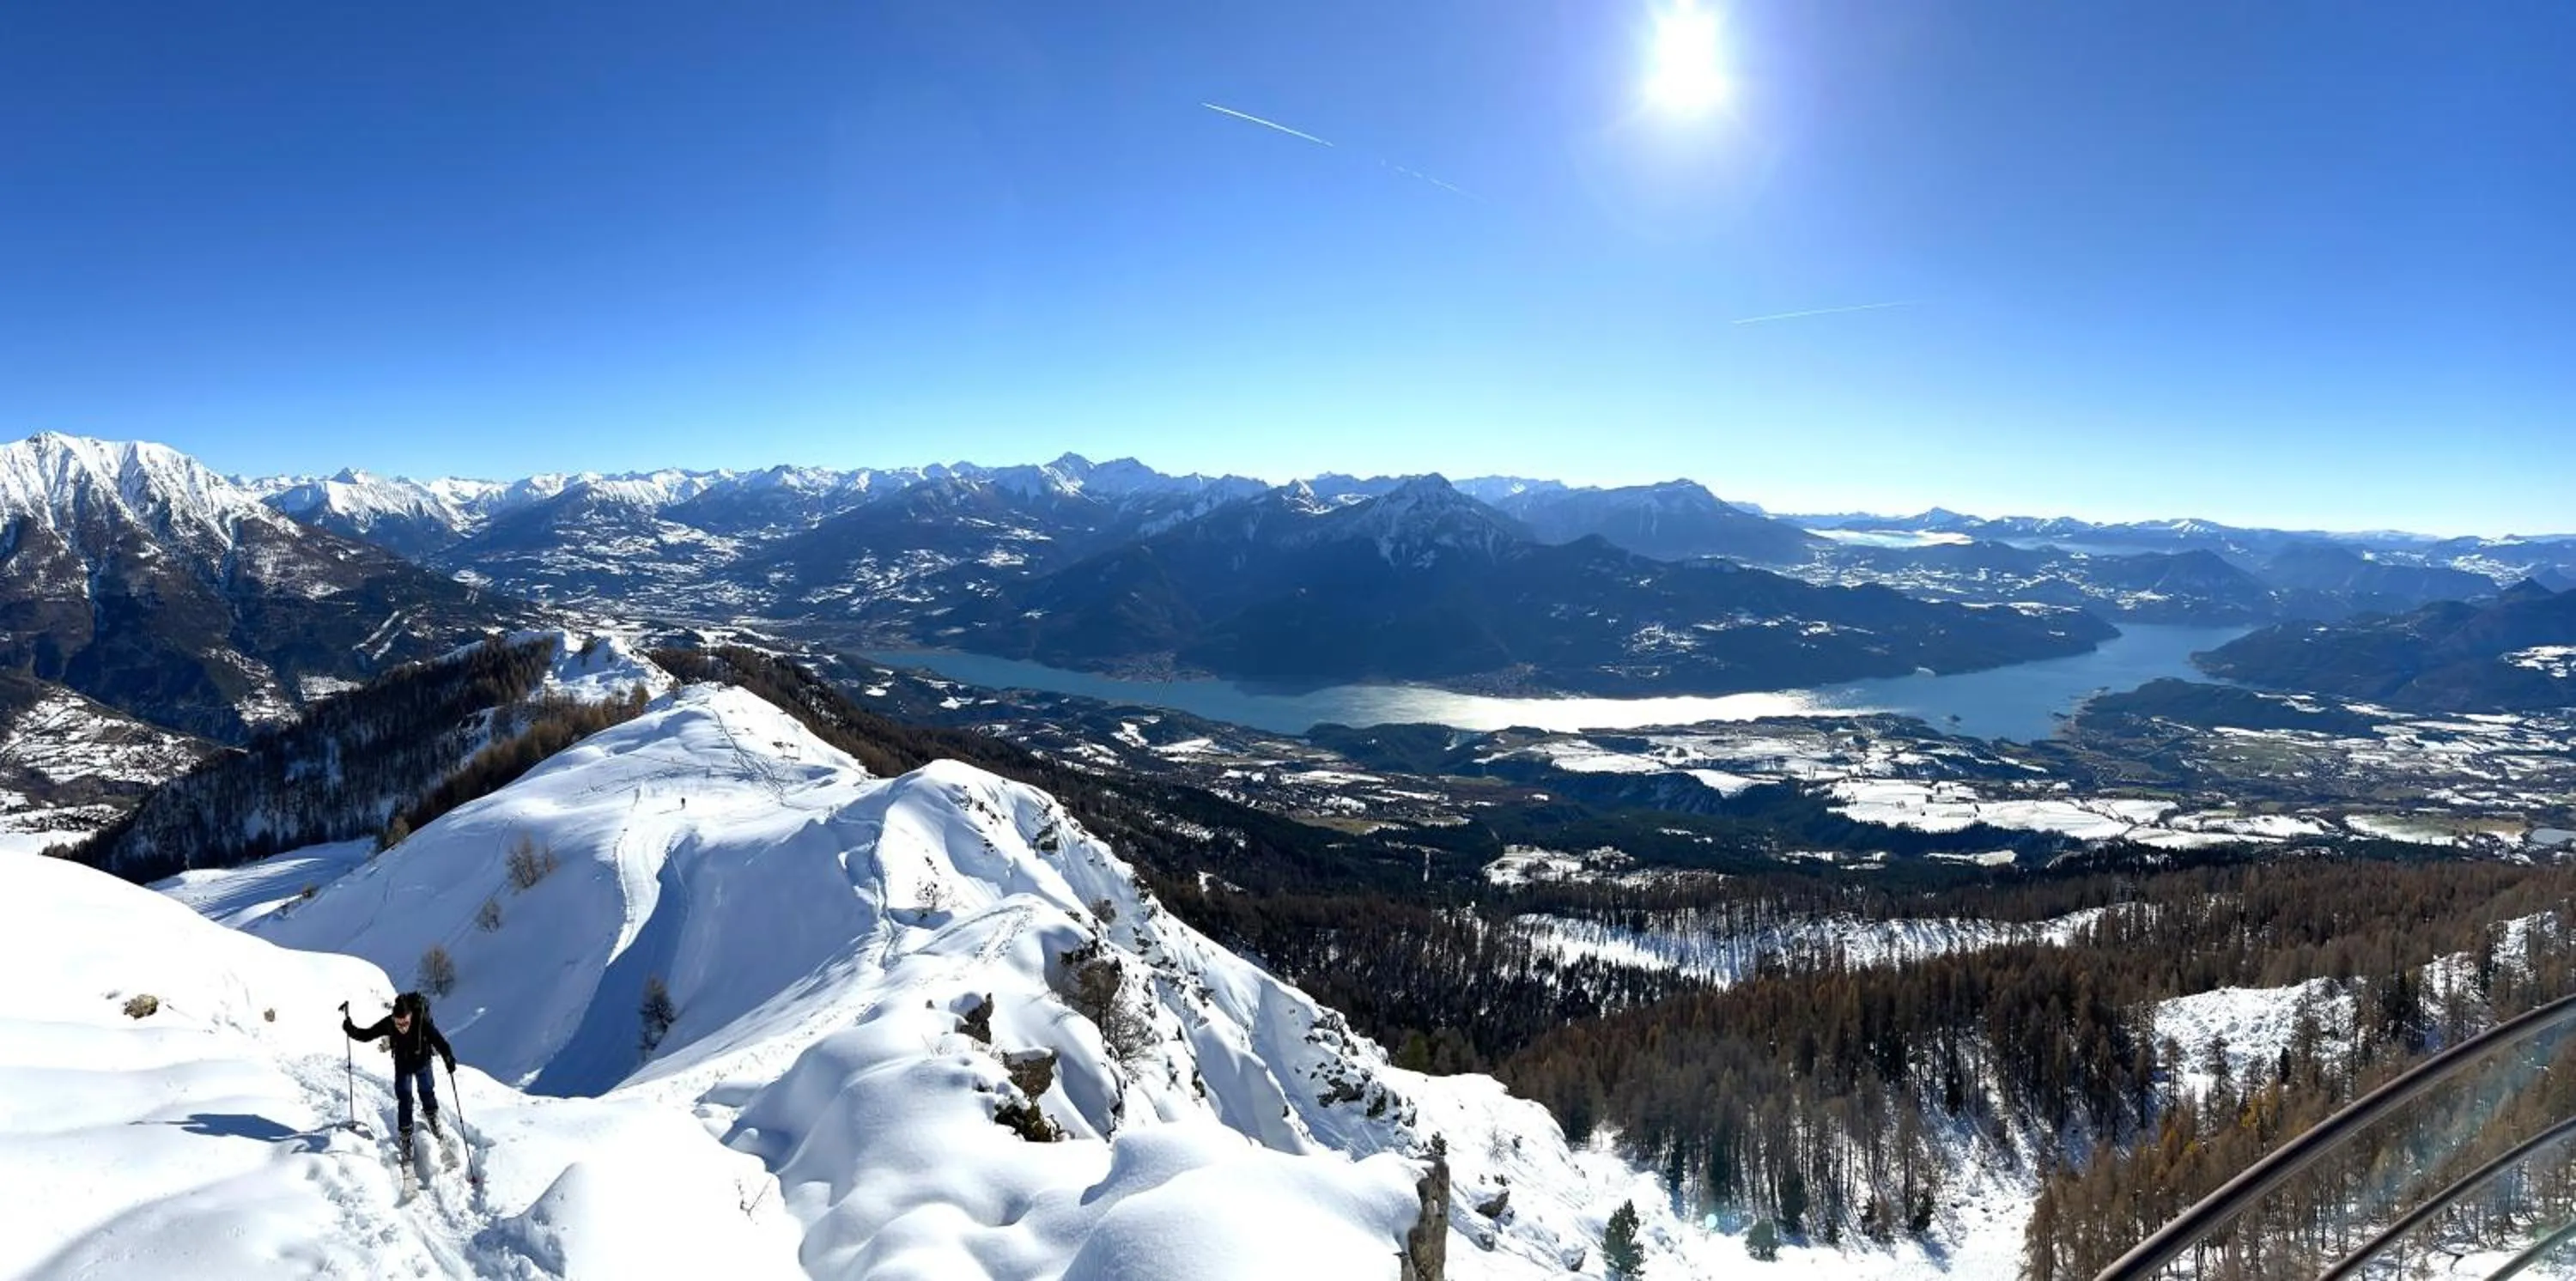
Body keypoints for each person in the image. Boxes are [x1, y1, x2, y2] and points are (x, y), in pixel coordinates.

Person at [342, 992, 457, 1162]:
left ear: (410, 1016)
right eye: (398, 1023)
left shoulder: (421, 1022)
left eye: (405, 1022)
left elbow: (439, 1041)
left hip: (423, 1063)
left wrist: (448, 1058)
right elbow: (367, 1035)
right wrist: (350, 1029)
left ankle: (432, 1117)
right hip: (403, 1065)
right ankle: (405, 1137)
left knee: (427, 1091)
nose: (402, 1026)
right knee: (404, 1098)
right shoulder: (389, 1023)